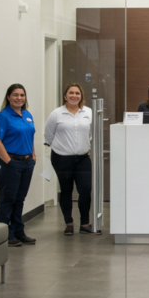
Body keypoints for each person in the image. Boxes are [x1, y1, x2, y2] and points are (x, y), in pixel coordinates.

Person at [44, 83, 94, 236]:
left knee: (85, 190)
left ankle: (85, 223)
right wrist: (62, 148)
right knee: (66, 191)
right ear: (65, 96)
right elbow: (48, 135)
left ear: (81, 96)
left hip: (83, 159)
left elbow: (90, 133)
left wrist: (84, 146)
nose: (74, 96)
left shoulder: (88, 112)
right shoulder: (57, 114)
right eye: (71, 93)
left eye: (77, 93)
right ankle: (69, 223)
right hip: (61, 158)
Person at [0, 83, 37, 247]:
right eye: (16, 95)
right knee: (7, 199)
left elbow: (30, 136)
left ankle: (19, 232)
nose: (19, 98)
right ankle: (5, 235)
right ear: (8, 97)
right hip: (10, 162)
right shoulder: (3, 116)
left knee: (20, 199)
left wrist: (32, 154)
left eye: (22, 95)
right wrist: (9, 162)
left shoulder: (27, 114)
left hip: (27, 162)